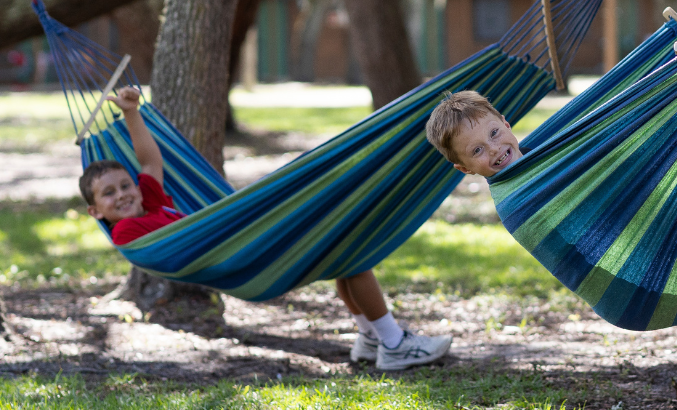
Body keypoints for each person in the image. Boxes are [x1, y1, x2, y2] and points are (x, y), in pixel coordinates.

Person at [81, 87, 453, 369]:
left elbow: (148, 160)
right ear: (96, 212)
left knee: (342, 247)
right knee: (350, 250)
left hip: (245, 239)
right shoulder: (127, 235)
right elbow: (171, 233)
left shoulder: (149, 197)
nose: (123, 195)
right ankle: (394, 343)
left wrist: (132, 113)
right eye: (109, 194)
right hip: (240, 254)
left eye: (124, 185)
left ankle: (372, 338)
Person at [423, 91, 677, 345]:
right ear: (464, 167)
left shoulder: (538, 161)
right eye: (478, 150)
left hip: (645, 258)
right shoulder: (519, 195)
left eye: (493, 133)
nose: (496, 149)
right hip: (632, 289)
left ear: (505, 122)